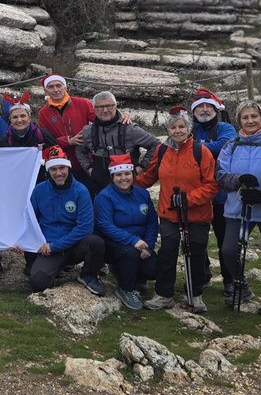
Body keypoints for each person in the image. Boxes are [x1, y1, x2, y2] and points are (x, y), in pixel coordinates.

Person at [136, 108, 219, 313]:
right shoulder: (162, 151)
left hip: (197, 213)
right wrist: (128, 183)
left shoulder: (202, 151)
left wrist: (187, 199)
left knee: (196, 251)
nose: (177, 130)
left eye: (181, 126)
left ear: (189, 128)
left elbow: (212, 185)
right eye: (173, 127)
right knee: (167, 251)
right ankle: (164, 294)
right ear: (168, 130)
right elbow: (149, 177)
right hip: (169, 213)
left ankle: (195, 294)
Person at [216, 100, 261, 315]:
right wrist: (238, 180)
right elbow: (220, 175)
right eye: (245, 117)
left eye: (254, 116)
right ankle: (241, 285)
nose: (250, 120)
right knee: (228, 250)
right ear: (239, 121)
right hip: (237, 206)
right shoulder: (231, 145)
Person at [26, 146, 106, 295]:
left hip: (73, 247)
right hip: (49, 249)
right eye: (53, 169)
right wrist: (20, 240)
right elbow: (30, 220)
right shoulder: (39, 190)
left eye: (62, 168)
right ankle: (53, 270)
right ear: (48, 171)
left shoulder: (81, 191)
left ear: (68, 167)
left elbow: (84, 228)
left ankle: (88, 275)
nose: (58, 173)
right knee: (37, 284)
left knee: (96, 242)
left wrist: (55, 246)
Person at [189, 87, 239, 293]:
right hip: (197, 195)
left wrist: (196, 145)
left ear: (215, 109)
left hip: (221, 196)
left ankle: (231, 281)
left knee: (225, 241)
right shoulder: (189, 128)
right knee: (196, 241)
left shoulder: (225, 127)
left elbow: (224, 146)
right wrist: (207, 144)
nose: (203, 110)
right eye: (199, 107)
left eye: (207, 106)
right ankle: (202, 276)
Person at [94, 154, 158, 310]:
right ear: (112, 177)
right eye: (118, 175)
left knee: (155, 268)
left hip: (140, 243)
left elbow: (151, 221)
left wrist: (148, 246)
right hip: (113, 244)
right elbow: (105, 225)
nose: (123, 178)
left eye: (127, 173)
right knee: (130, 253)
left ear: (133, 174)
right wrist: (133, 240)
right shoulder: (104, 197)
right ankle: (125, 288)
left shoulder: (142, 194)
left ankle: (135, 277)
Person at [75, 91, 161, 197]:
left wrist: (142, 167)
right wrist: (89, 168)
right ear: (94, 109)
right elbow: (80, 150)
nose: (105, 110)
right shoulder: (88, 131)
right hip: (99, 187)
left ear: (115, 106)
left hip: (128, 185)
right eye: (100, 107)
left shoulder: (130, 129)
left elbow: (156, 144)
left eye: (109, 106)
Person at [38, 74, 97, 186]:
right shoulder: (43, 113)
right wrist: (68, 141)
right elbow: (47, 140)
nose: (55, 90)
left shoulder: (83, 103)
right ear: (46, 91)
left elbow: (101, 119)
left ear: (65, 87)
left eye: (59, 85)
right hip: (61, 163)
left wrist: (121, 115)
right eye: (51, 87)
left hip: (86, 160)